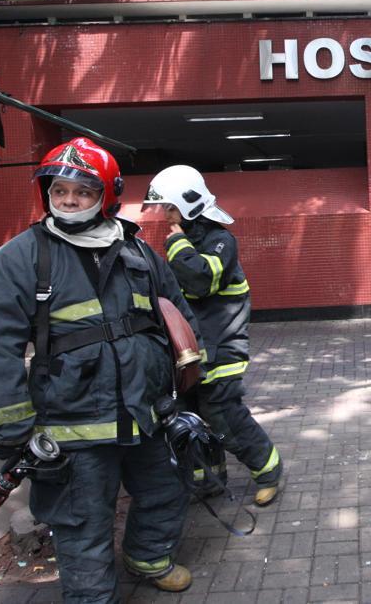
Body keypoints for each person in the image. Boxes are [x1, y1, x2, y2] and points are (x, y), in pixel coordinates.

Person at [0, 138, 200, 602]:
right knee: (82, 524)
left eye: (82, 191)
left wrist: (184, 380)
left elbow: (176, 313)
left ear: (106, 195)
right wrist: (13, 428)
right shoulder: (21, 258)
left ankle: (149, 557)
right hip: (74, 427)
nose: (69, 200)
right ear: (47, 195)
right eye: (59, 191)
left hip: (145, 414)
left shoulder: (135, 251)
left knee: (168, 492)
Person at [142, 165, 283, 506]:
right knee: (191, 418)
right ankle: (208, 479)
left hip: (222, 352)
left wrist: (176, 243)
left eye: (170, 208)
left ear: (188, 205)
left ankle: (268, 470)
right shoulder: (187, 242)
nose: (165, 216)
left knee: (223, 416)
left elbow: (199, 280)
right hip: (193, 352)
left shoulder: (220, 241)